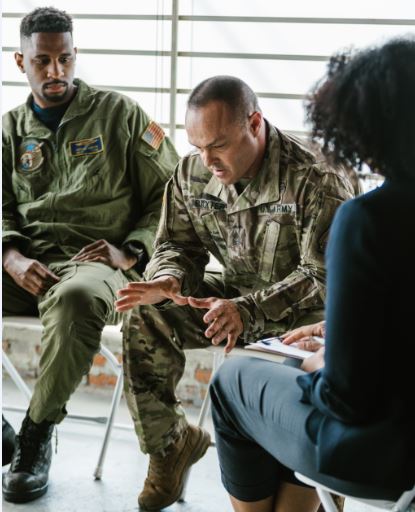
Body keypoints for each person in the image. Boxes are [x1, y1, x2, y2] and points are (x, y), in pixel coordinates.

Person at [115, 75, 355, 510]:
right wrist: (168, 278)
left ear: (255, 124)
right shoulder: (193, 171)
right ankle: (169, 445)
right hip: (235, 296)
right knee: (147, 314)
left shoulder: (315, 177)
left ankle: (321, 487)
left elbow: (323, 277)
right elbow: (176, 244)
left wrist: (245, 311)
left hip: (311, 316)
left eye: (219, 145)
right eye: (198, 146)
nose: (207, 159)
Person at [209, 37, 415, 512]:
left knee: (236, 382)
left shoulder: (369, 220)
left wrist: (319, 359)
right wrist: (341, 335)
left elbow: (347, 397)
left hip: (384, 454)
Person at [2, 7, 179, 503]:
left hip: (95, 263)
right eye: (43, 62)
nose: (55, 72)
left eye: (64, 59)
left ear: (75, 56)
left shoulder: (120, 115)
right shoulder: (9, 131)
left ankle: (36, 435)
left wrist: (130, 250)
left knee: (77, 299)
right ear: (21, 62)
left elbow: (171, 194)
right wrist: (10, 257)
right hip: (26, 263)